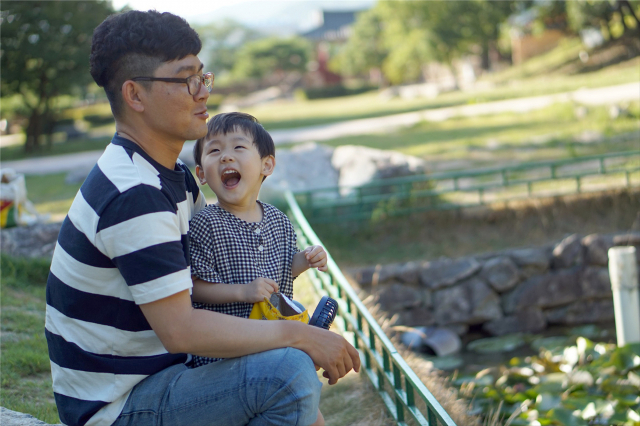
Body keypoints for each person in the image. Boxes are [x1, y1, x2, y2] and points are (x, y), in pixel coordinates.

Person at [44, 10, 359, 426]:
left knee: (284, 369)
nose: (203, 92)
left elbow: (201, 288)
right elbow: (184, 330)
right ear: (136, 96)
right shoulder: (133, 193)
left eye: (202, 77)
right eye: (186, 79)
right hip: (116, 406)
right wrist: (301, 335)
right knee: (289, 375)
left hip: (164, 372)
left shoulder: (174, 178)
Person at [189, 112, 330, 424]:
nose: (226, 155)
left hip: (270, 337)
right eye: (214, 151)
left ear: (267, 165)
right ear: (201, 172)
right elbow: (194, 287)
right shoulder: (206, 223)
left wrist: (305, 260)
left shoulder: (278, 221)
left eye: (239, 148)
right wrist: (243, 291)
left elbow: (280, 274)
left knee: (311, 414)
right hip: (225, 351)